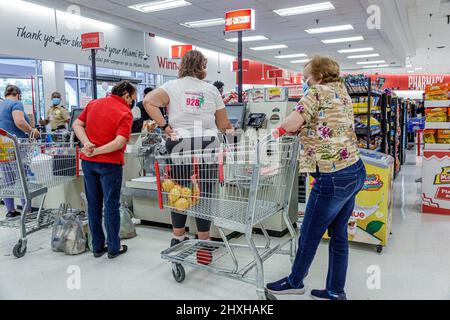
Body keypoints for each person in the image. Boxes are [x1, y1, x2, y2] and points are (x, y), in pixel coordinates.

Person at [266, 55, 366, 300]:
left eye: (306, 77)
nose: (304, 82)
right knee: (339, 235)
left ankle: (294, 281)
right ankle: (335, 291)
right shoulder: (342, 93)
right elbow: (329, 125)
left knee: (309, 233)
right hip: (355, 170)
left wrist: (272, 135)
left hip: (332, 176)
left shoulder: (316, 91)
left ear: (319, 76)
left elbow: (291, 122)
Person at [143, 50, 232, 257]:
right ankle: (204, 243)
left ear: (182, 65)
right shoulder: (211, 90)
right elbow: (222, 124)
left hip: (179, 143)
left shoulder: (171, 87)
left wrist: (164, 126)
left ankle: (178, 237)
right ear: (202, 66)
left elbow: (148, 101)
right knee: (204, 192)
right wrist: (229, 129)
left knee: (179, 189)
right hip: (207, 144)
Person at [72, 81, 135, 259]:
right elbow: (119, 142)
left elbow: (77, 124)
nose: (132, 102)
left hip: (88, 164)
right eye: (132, 98)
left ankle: (97, 247)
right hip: (110, 164)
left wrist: (87, 145)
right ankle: (114, 247)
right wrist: (97, 151)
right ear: (126, 95)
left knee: (93, 205)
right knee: (111, 205)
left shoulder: (93, 104)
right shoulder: (125, 112)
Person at [0, 85, 39, 219]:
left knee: (7, 179)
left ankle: (11, 211)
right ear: (18, 94)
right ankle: (27, 211)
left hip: (2, 146)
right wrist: (32, 131)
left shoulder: (1, 105)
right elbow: (20, 122)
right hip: (16, 145)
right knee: (22, 178)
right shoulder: (16, 103)